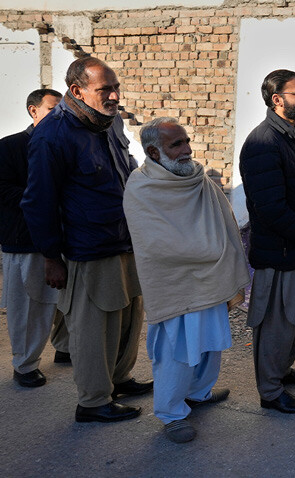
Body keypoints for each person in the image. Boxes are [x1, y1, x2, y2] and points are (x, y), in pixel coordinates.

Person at [21, 57, 151, 422]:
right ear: (77, 91)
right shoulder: (53, 134)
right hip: (88, 248)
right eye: (104, 89)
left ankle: (118, 380)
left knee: (128, 318)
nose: (113, 95)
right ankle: (93, 402)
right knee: (96, 328)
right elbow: (37, 201)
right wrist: (51, 257)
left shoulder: (110, 122)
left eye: (115, 87)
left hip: (125, 240)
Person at [123, 117, 250, 442]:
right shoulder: (140, 187)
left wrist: (219, 250)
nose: (187, 150)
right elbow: (155, 244)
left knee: (210, 344)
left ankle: (199, 392)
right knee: (176, 352)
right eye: (176, 144)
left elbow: (222, 219)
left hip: (211, 279)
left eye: (186, 141)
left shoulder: (196, 177)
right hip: (175, 285)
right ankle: (171, 413)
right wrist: (213, 249)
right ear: (153, 151)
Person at [240, 69, 295, 414]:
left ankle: (281, 372)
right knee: (277, 326)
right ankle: (270, 390)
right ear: (277, 100)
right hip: (278, 253)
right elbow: (270, 210)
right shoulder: (263, 142)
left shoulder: (290, 137)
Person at [0, 88, 71, 388]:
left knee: (68, 299)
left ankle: (65, 349)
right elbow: (3, 190)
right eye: (54, 109)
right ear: (34, 111)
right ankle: (25, 365)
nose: (60, 116)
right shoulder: (11, 146)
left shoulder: (65, 144)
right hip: (25, 239)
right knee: (30, 304)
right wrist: (45, 198)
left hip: (66, 235)